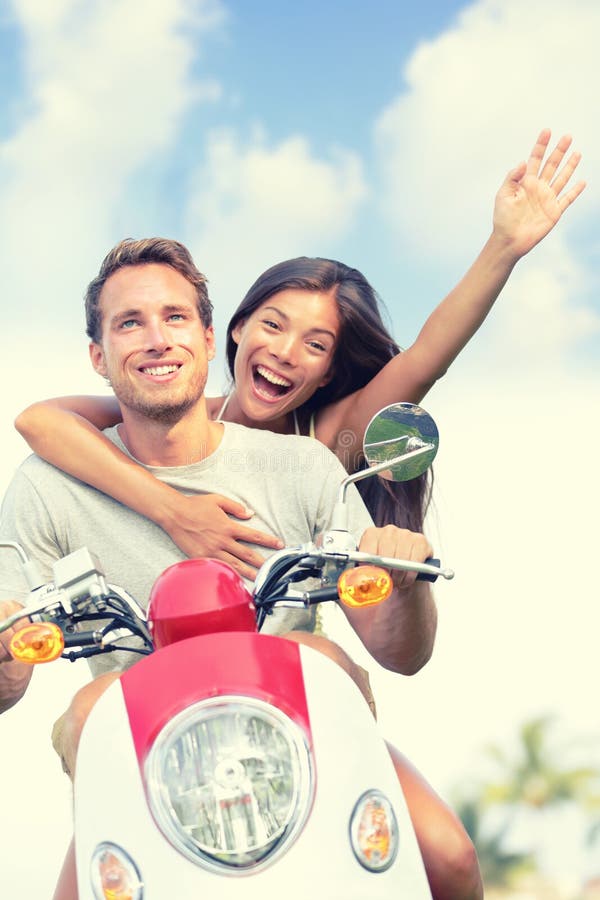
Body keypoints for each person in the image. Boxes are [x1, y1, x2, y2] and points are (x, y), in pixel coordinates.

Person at [0, 239, 481, 900]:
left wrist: (404, 578)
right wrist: (5, 645)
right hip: (145, 765)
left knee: (450, 859)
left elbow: (401, 653)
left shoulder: (303, 464)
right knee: (88, 707)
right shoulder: (48, 484)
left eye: (173, 317)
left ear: (205, 334)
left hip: (303, 748)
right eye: (129, 323)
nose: (156, 339)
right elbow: (10, 633)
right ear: (98, 356)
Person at [14, 129, 585, 582]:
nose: (285, 353)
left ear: (331, 368)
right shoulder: (174, 412)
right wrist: (172, 509)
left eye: (316, 344)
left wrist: (503, 247)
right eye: (272, 325)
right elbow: (38, 421)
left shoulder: (330, 438)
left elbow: (427, 357)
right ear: (233, 332)